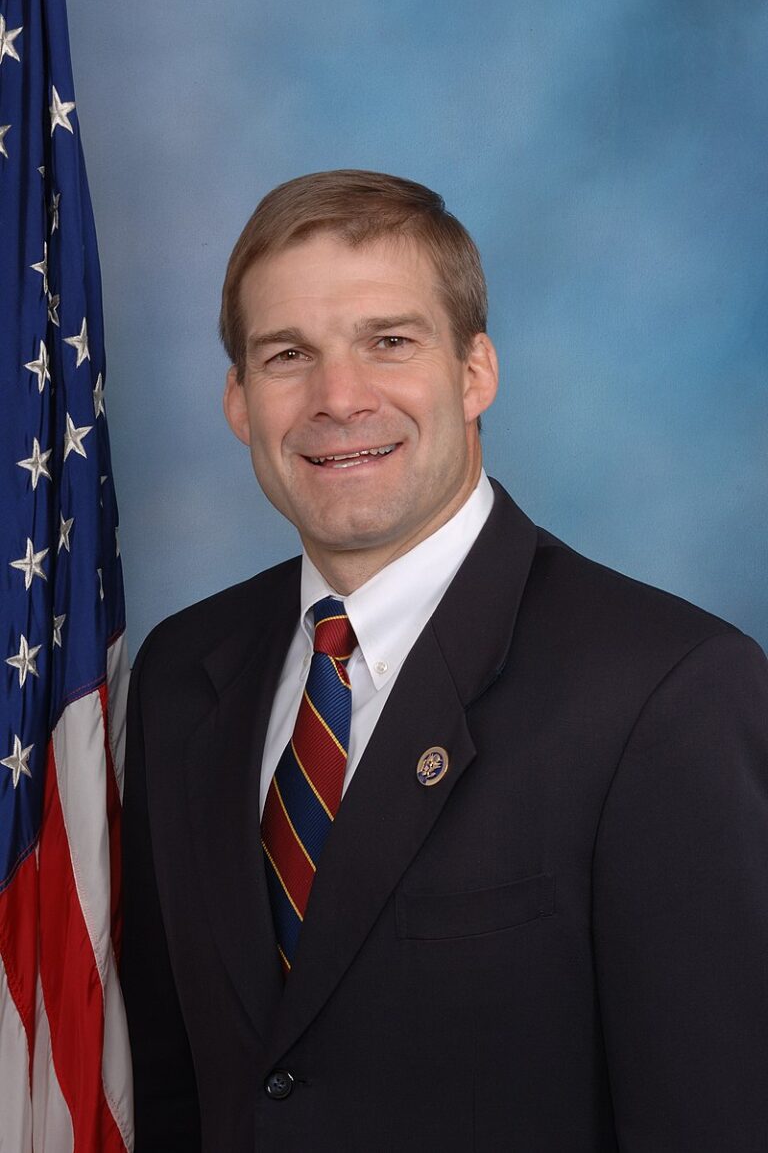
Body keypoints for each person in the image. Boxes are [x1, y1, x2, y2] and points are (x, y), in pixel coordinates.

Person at [120, 170, 768, 1152]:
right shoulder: (181, 676)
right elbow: (172, 1094)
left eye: (390, 341)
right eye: (288, 353)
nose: (339, 399)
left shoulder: (667, 695)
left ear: (476, 373)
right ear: (238, 400)